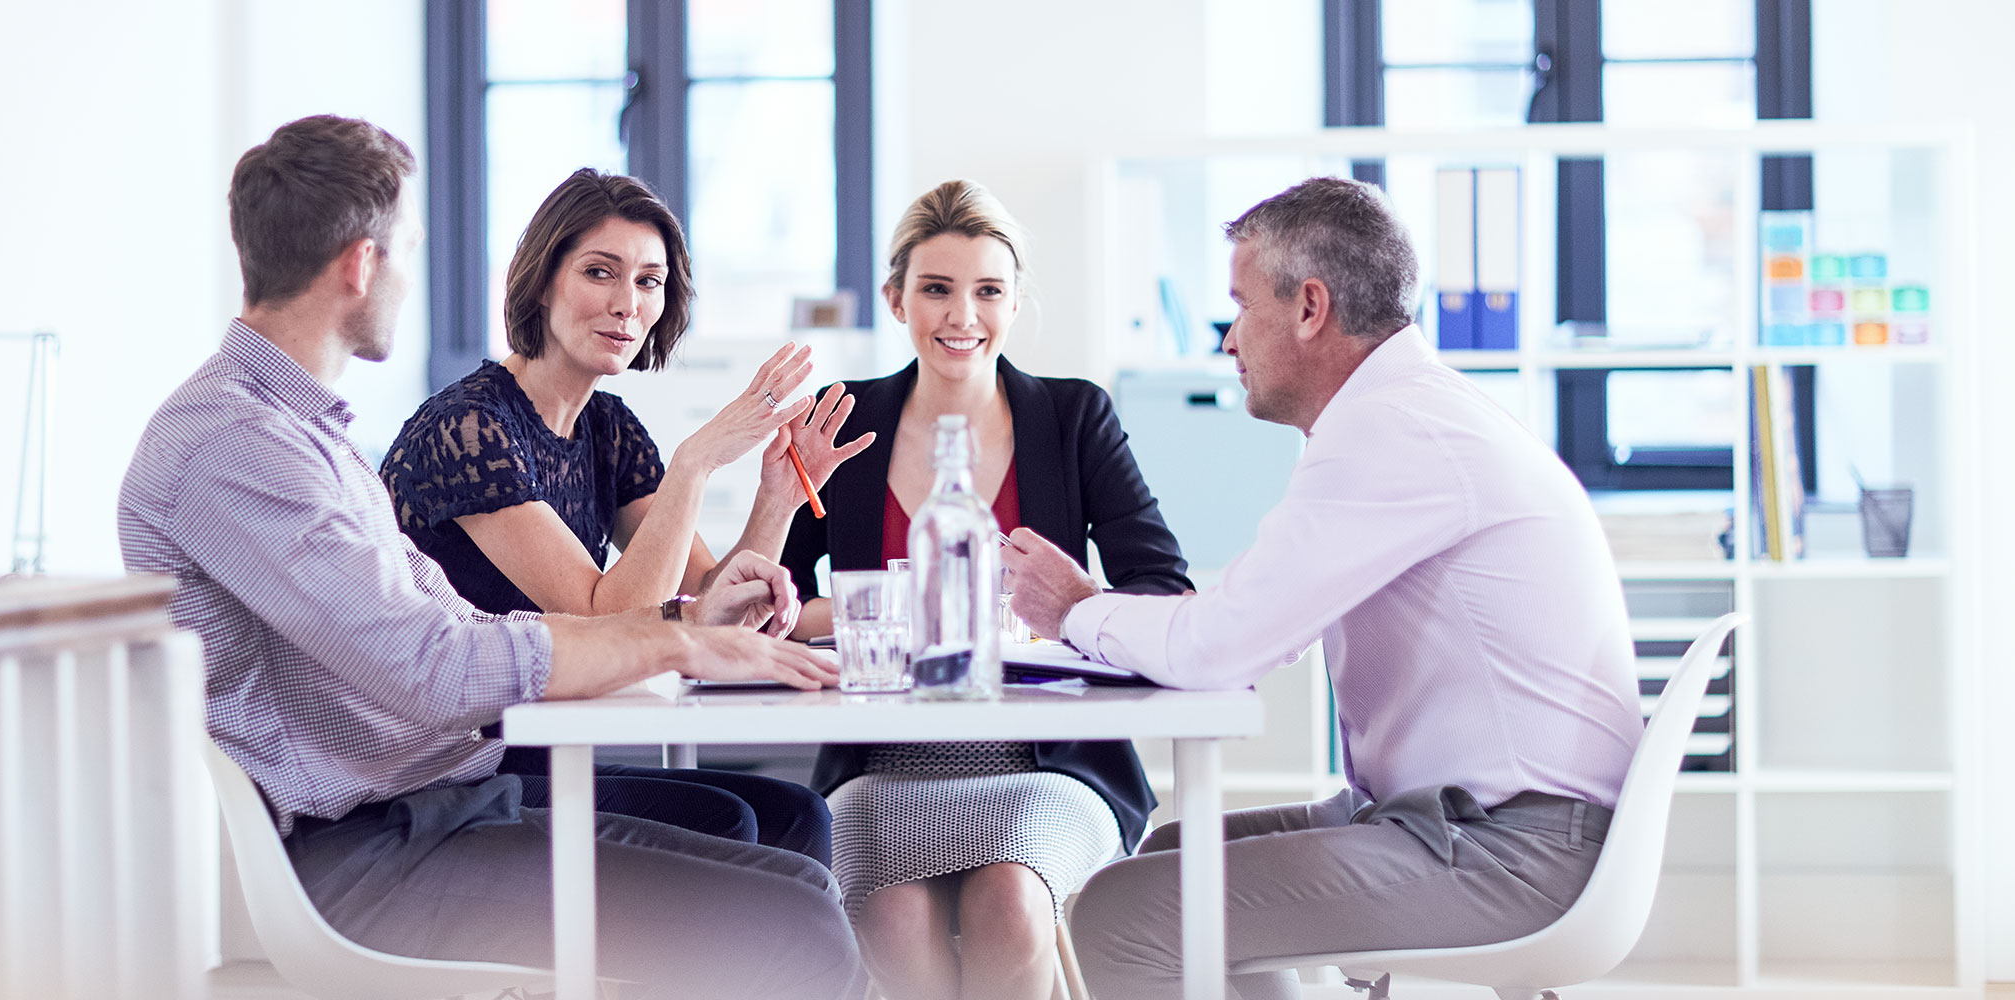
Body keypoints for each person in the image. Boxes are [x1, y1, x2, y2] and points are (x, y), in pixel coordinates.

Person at [118, 115, 859, 1000]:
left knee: (796, 875)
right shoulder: (235, 445)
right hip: (361, 851)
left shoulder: (301, 432)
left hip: (435, 804)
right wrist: (673, 639)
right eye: (409, 249)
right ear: (361, 263)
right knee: (789, 922)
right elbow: (432, 665)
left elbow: (458, 626)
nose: (410, 272)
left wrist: (685, 622)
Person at [1002, 176, 1643, 999]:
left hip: (1515, 852)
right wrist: (1118, 615)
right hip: (1471, 823)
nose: (1228, 342)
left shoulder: (1391, 430)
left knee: (1125, 913)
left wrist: (1077, 608)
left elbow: (1225, 647)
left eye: (1239, 308)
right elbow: (1255, 621)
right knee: (1165, 856)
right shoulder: (1407, 414)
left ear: (1310, 308)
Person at [379, 167, 870, 865]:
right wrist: (698, 460)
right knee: (731, 824)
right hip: (451, 777)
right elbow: (604, 615)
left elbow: (707, 603)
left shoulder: (606, 427)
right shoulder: (467, 430)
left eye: (648, 281)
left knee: (795, 814)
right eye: (599, 273)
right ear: (543, 280)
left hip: (545, 751)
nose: (626, 304)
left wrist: (777, 498)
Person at [775, 180, 1191, 1000]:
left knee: (1008, 896)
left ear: (1013, 301)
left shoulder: (1074, 420)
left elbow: (1161, 584)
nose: (962, 316)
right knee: (890, 916)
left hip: (1054, 762)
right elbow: (766, 605)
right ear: (897, 299)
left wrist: (1071, 604)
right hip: (882, 765)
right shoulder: (845, 419)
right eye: (936, 290)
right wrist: (888, 608)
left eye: (987, 292)